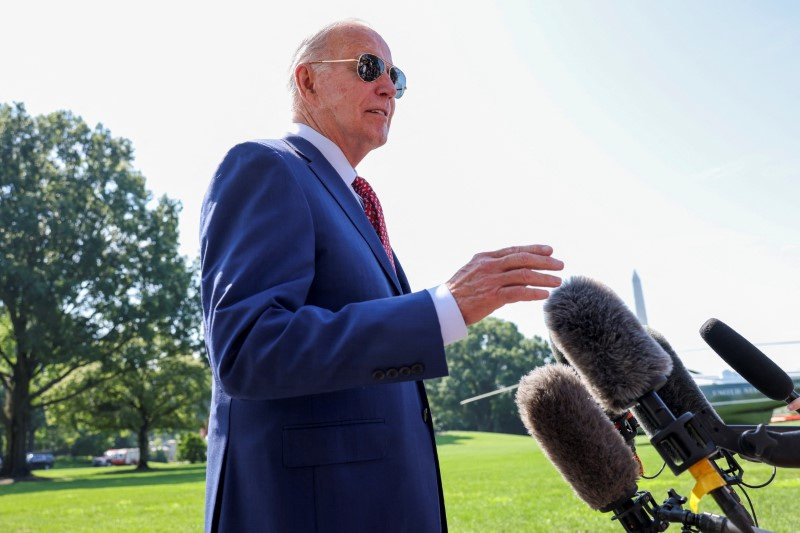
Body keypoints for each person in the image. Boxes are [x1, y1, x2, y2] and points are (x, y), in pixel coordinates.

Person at [200, 19, 564, 532]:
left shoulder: (354, 198)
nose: (389, 86)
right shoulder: (266, 166)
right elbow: (249, 349)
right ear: (308, 82)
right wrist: (440, 310)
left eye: (397, 76)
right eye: (368, 67)